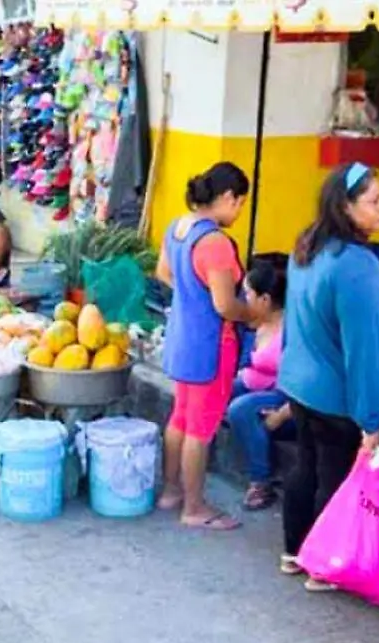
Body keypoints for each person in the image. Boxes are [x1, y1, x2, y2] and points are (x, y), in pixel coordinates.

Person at [277, 162, 379, 589]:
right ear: (345, 205)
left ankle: (295, 552)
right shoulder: (356, 268)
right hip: (338, 396)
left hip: (302, 383)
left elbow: (295, 323)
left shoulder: (309, 245)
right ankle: (325, 565)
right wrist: (370, 419)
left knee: (307, 467)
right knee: (337, 482)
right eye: (374, 201)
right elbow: (365, 352)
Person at [156, 161, 255, 531]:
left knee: (180, 416)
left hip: (181, 336)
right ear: (228, 197)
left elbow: (164, 273)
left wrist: (189, 294)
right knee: (201, 428)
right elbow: (225, 305)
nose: (239, 211)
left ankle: (170, 492)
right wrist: (254, 315)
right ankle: (194, 507)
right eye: (240, 203)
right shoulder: (215, 242)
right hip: (210, 346)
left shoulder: (178, 227)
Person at [226, 255, 294, 511]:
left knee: (240, 409)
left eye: (248, 294)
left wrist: (282, 412)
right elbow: (245, 365)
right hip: (251, 387)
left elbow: (297, 381)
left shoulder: (291, 332)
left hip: (281, 398)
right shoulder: (254, 324)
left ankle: (261, 482)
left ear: (265, 300)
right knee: (214, 392)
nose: (245, 300)